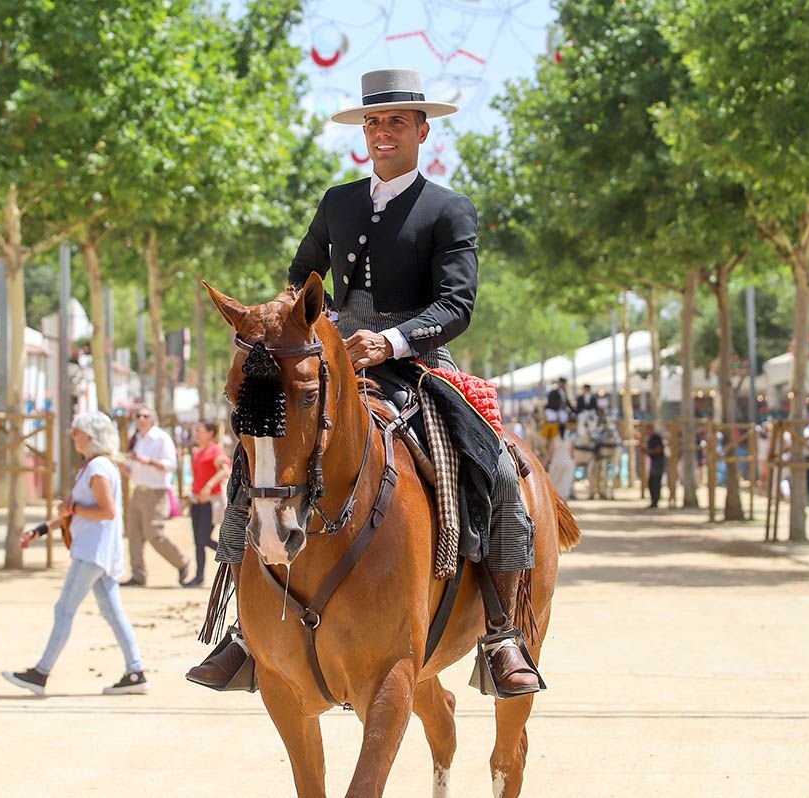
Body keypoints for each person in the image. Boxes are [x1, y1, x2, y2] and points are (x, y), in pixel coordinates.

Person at [188, 68, 543, 698]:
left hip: (416, 363)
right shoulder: (338, 202)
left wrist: (390, 341)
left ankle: (499, 632)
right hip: (330, 366)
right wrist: (279, 320)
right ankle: (240, 628)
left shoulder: (448, 209)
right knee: (260, 443)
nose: (383, 132)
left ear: (422, 130)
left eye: (396, 122)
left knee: (496, 465)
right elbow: (301, 278)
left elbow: (457, 305)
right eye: (374, 122)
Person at [2, 412, 148, 696]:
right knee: (112, 612)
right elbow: (79, 510)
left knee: (65, 609)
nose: (73, 437)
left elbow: (105, 511)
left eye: (77, 431)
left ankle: (41, 673)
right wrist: (43, 529)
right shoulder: (97, 467)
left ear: (90, 436)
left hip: (91, 550)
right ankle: (135, 670)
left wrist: (71, 511)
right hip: (95, 549)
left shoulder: (97, 468)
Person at [119, 406, 190, 587]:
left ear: (153, 419)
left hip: (156, 493)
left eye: (145, 415)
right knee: (133, 534)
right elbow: (133, 468)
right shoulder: (136, 439)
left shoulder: (161, 438)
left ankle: (182, 561)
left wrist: (148, 461)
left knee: (154, 534)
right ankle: (138, 575)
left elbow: (171, 465)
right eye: (138, 416)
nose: (141, 419)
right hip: (138, 491)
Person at [185, 420, 231, 588]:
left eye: (200, 430)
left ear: (210, 433)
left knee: (204, 538)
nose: (196, 433)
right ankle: (199, 577)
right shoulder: (197, 452)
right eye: (196, 430)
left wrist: (209, 486)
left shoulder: (215, 450)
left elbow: (226, 470)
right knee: (198, 541)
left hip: (210, 502)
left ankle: (231, 559)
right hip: (197, 502)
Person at [642, 423, 666, 509]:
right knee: (652, 482)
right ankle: (654, 501)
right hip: (654, 461)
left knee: (655, 482)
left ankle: (655, 501)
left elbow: (658, 450)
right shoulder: (650, 439)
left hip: (658, 462)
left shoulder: (656, 438)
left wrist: (648, 451)